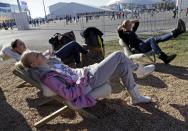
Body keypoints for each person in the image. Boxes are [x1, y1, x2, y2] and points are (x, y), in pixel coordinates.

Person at [20, 51, 153, 109]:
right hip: (87, 81)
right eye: (36, 55)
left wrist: (48, 56)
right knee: (118, 55)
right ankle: (138, 70)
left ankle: (135, 97)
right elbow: (68, 94)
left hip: (87, 72)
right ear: (33, 65)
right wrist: (82, 81)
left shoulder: (51, 64)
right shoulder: (49, 78)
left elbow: (68, 69)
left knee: (123, 66)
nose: (40, 54)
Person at [118, 19, 186, 64]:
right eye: (129, 25)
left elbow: (137, 22)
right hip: (138, 49)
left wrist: (130, 21)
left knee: (157, 38)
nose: (131, 26)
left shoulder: (131, 31)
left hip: (142, 45)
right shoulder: (124, 35)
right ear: (125, 26)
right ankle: (163, 57)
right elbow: (119, 29)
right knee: (151, 39)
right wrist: (124, 25)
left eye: (131, 25)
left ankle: (177, 31)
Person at [0, 39, 88, 67]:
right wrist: (46, 54)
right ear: (16, 48)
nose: (23, 44)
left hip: (50, 57)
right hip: (52, 60)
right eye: (21, 44)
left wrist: (46, 53)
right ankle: (86, 53)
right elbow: (38, 62)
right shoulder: (23, 58)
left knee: (74, 47)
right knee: (73, 44)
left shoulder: (25, 52)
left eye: (22, 42)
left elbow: (38, 57)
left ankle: (79, 64)